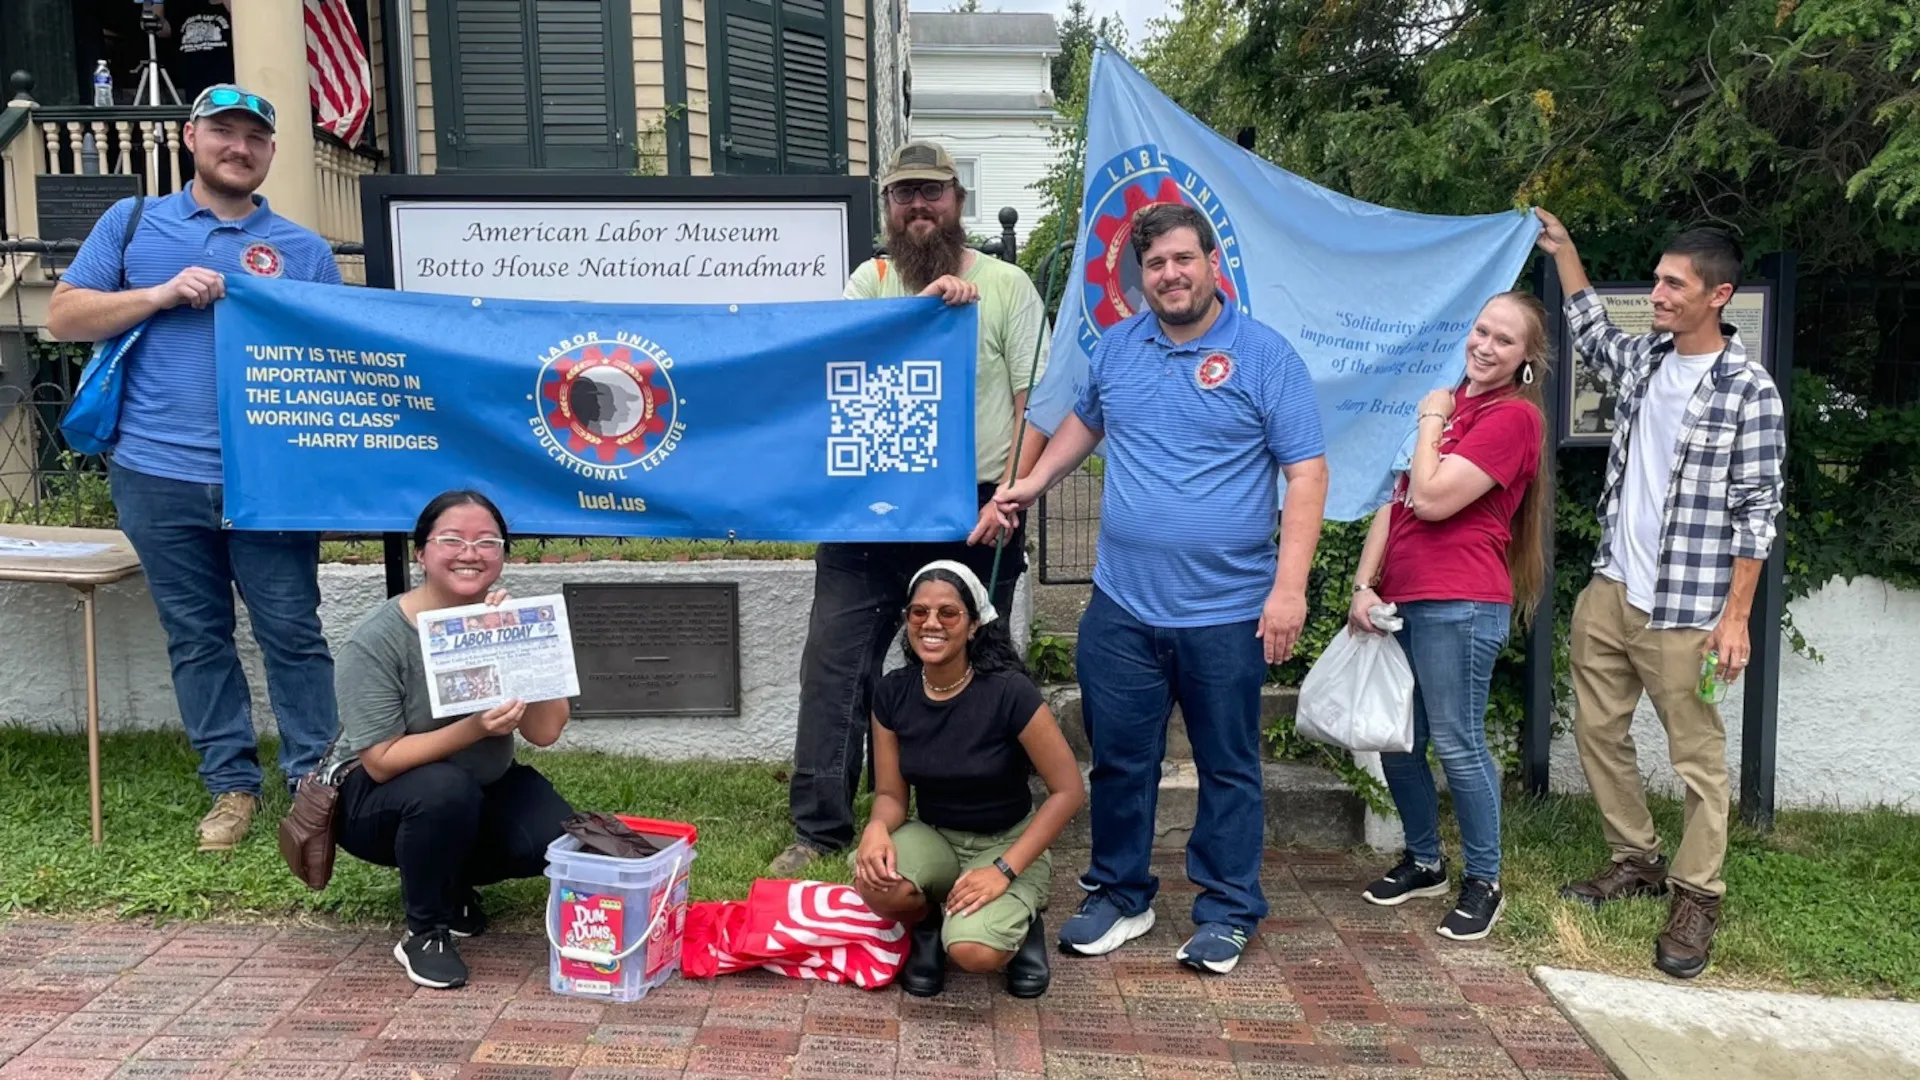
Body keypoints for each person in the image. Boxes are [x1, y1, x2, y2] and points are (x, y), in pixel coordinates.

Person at [975, 202, 1330, 975]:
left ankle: (1229, 908)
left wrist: (1289, 589)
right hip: (1122, 608)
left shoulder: (1266, 358)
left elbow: (1306, 473)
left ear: (1212, 264)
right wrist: (1029, 484)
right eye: (1155, 265)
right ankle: (1120, 894)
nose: (1169, 275)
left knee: (1228, 765)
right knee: (1121, 760)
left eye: (1181, 259)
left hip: (1229, 612)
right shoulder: (1119, 347)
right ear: (1141, 278)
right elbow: (1086, 423)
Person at [47, 84, 343, 853]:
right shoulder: (133, 222)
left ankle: (316, 786)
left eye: (254, 137)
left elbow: (341, 358)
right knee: (197, 637)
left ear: (271, 152)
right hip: (153, 471)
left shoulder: (304, 251)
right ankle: (231, 788)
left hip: (269, 478)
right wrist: (159, 294)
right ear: (192, 137)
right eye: (223, 132)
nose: (237, 147)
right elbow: (65, 316)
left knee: (293, 633)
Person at [772, 139, 1054, 876]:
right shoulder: (868, 283)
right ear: (889, 209)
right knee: (836, 665)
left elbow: (1035, 407)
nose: (919, 206)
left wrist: (1012, 498)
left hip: (975, 509)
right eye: (905, 195)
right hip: (871, 510)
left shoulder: (1008, 285)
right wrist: (922, 315)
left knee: (982, 666)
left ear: (957, 202)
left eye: (932, 192)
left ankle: (991, 815)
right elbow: (840, 370)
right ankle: (820, 827)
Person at [1534, 209, 1785, 979]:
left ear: (1720, 295)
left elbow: (1759, 509)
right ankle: (1634, 857)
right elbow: (1589, 327)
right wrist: (1567, 251)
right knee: (1596, 728)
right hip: (1613, 588)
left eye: (1674, 284)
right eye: (1656, 280)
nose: (1658, 294)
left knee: (1697, 758)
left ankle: (1697, 893)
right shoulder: (1645, 362)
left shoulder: (1750, 391)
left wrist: (1735, 617)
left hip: (1689, 608)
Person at [1348, 292, 1551, 941]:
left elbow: (1433, 500)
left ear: (1526, 359)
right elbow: (1397, 498)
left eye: (1504, 340)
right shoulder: (1455, 407)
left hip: (1462, 602)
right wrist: (1363, 583)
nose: (1485, 346)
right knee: (1401, 741)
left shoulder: (1514, 417)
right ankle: (1425, 860)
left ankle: (1484, 881)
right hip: (1403, 600)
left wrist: (1432, 418)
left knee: (1459, 743)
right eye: (1481, 331)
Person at [321, 491, 575, 990]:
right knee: (443, 789)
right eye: (452, 539)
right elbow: (380, 761)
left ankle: (453, 884)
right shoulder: (377, 639)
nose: (470, 552)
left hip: (473, 787)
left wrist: (519, 645)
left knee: (547, 834)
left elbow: (544, 732)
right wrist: (474, 728)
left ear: (502, 554)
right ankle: (425, 931)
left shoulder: (508, 618)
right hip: (377, 797)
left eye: (487, 541)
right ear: (420, 553)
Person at [852, 562, 1084, 999]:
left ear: (974, 624)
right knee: (874, 881)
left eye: (948, 613)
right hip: (936, 836)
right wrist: (877, 828)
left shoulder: (1009, 692)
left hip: (1006, 843)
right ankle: (928, 928)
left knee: (973, 953)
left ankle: (1023, 922)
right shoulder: (893, 692)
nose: (931, 624)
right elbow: (890, 795)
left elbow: (1069, 791)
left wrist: (1002, 871)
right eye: (918, 613)